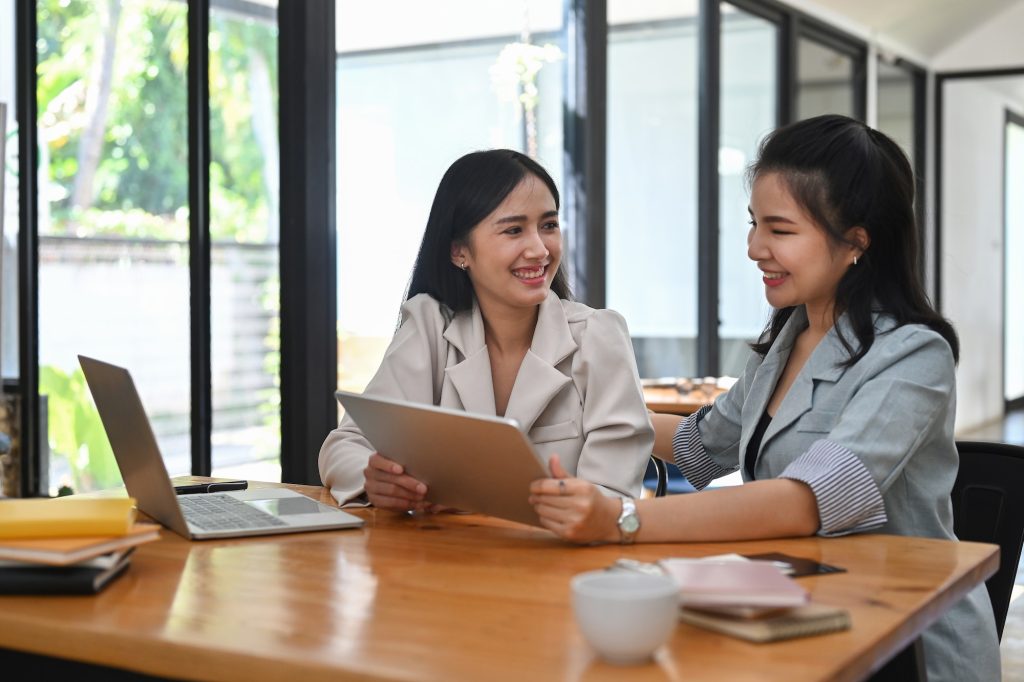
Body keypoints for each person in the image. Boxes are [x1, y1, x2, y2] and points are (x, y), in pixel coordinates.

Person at [528, 115, 1000, 681]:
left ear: (856, 241)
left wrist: (622, 519)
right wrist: (582, 407)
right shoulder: (787, 338)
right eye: (754, 224)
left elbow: (806, 502)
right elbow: (703, 447)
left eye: (779, 229)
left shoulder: (913, 356)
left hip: (906, 645)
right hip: (794, 617)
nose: (754, 248)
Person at [319, 149, 654, 511]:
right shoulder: (431, 324)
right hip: (442, 559)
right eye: (514, 230)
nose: (540, 249)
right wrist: (375, 479)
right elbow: (345, 445)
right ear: (459, 251)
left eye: (549, 225)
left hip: (561, 561)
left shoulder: (598, 337)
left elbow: (613, 498)